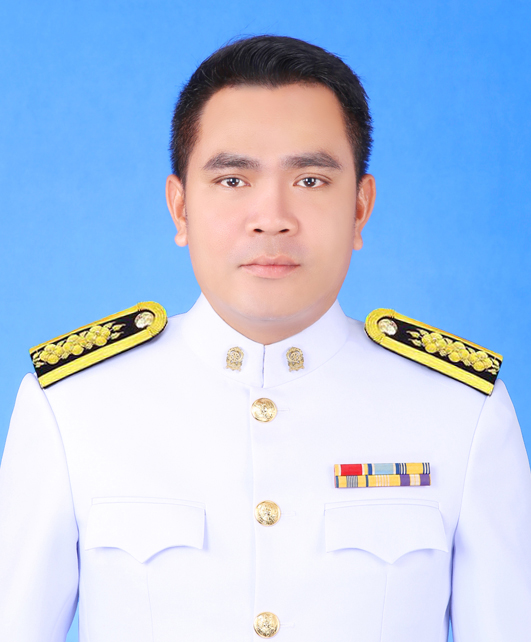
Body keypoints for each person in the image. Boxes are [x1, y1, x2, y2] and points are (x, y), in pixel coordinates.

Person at [0, 35, 530, 642]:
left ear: (360, 208)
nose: (272, 217)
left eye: (311, 180)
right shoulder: (72, 407)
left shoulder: (461, 412)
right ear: (180, 208)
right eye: (233, 180)